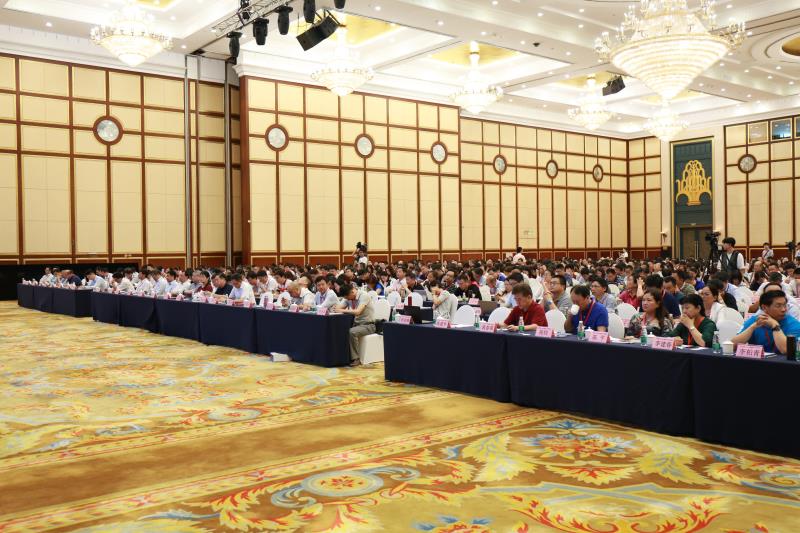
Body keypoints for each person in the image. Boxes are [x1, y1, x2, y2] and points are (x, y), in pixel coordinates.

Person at [732, 290, 800, 355]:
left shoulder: (793, 324)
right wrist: (752, 327)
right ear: (764, 307)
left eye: (785, 305)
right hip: (756, 361)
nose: (783, 309)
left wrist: (775, 326)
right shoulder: (755, 320)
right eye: (778, 306)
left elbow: (786, 350)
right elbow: (732, 346)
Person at [338, 284, 375, 366]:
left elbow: (358, 312)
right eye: (345, 298)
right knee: (341, 330)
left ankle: (356, 358)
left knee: (352, 332)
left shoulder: (364, 296)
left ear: (352, 292)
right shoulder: (348, 297)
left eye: (347, 297)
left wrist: (342, 310)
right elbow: (338, 308)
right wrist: (339, 308)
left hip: (368, 325)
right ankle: (343, 357)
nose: (347, 299)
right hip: (357, 324)